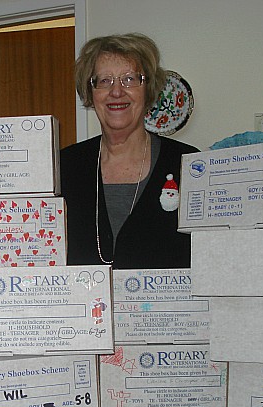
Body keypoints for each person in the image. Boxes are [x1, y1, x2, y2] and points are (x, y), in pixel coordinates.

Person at [60, 33, 198, 269]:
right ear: (90, 93)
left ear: (148, 90)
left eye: (130, 79)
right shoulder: (64, 167)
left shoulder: (187, 164)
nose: (116, 92)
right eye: (104, 81)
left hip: (168, 306)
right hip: (83, 306)